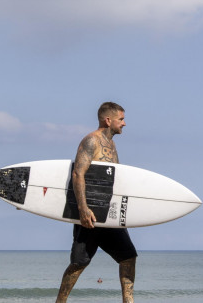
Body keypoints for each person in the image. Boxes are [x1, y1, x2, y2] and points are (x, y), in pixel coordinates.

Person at [56, 102, 137, 303]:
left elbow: (112, 182)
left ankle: (128, 301)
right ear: (108, 120)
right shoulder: (91, 141)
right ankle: (60, 302)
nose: (124, 123)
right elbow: (78, 174)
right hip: (90, 214)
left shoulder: (112, 144)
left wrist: (120, 216)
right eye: (121, 119)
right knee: (79, 263)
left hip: (108, 213)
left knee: (128, 256)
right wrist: (83, 209)